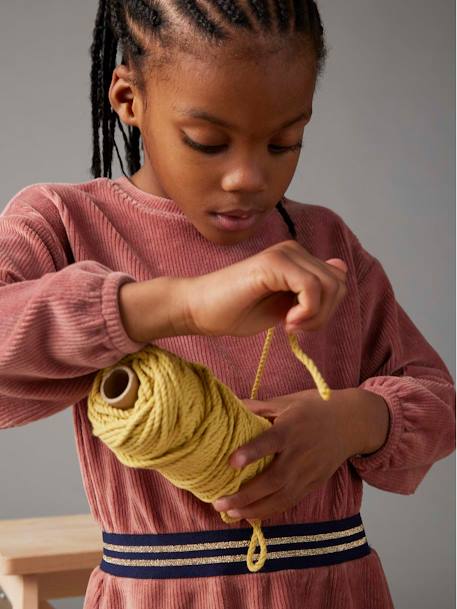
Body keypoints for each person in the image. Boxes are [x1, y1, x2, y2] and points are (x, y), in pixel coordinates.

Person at [0, 1, 454, 607]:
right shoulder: (64, 223)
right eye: (207, 142)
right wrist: (177, 306)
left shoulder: (324, 244)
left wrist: (352, 422)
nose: (248, 177)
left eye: (284, 142)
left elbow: (438, 401)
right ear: (129, 99)